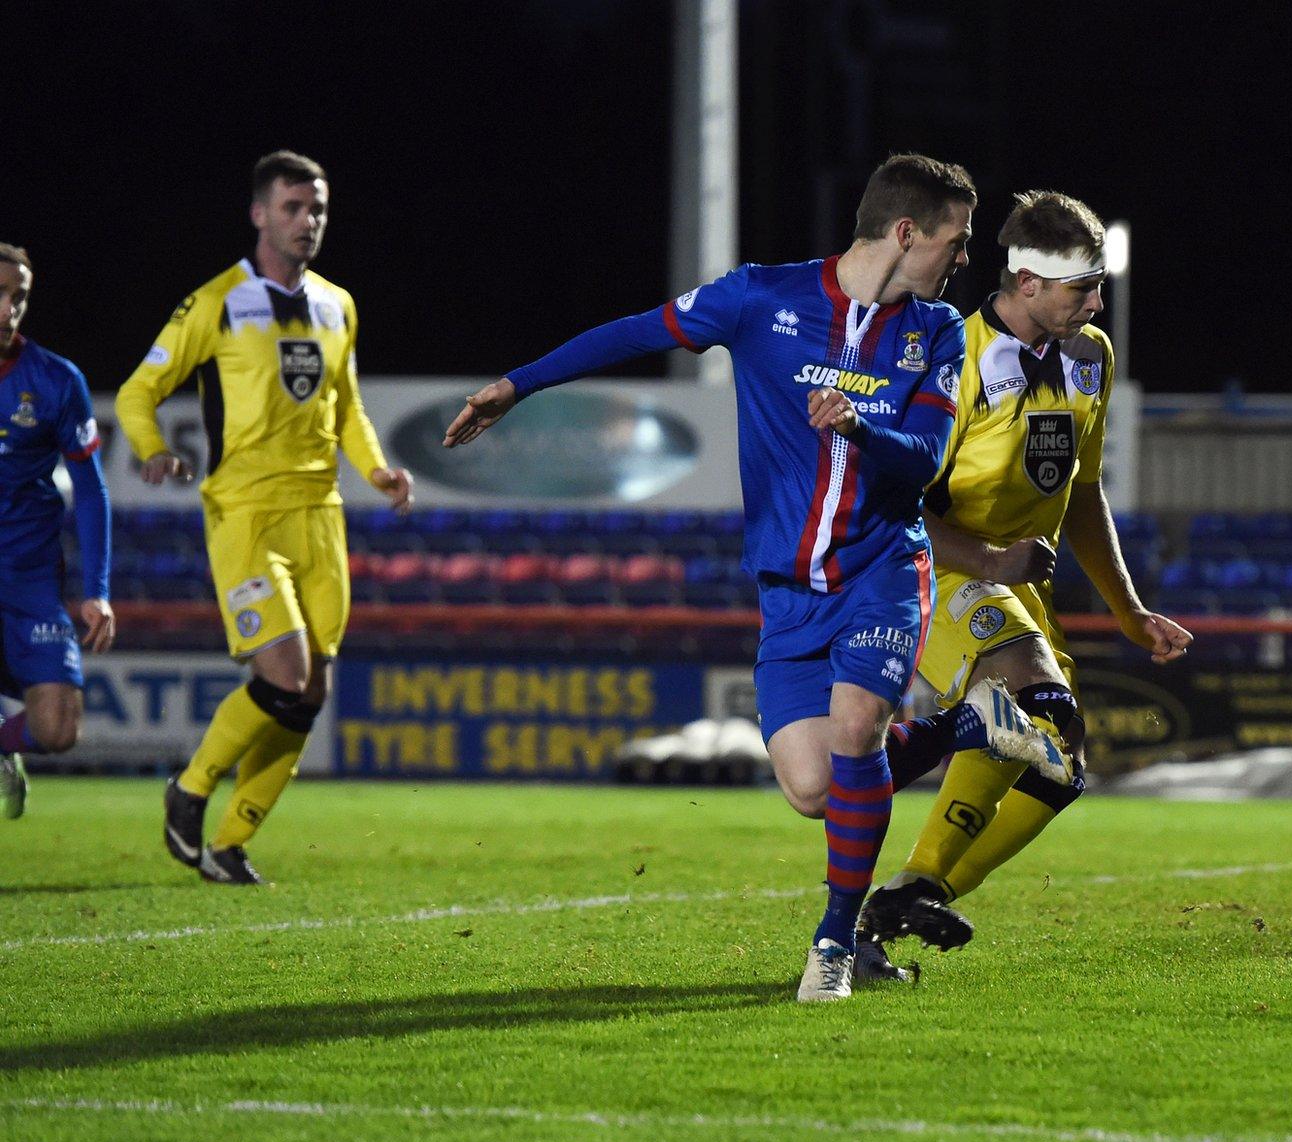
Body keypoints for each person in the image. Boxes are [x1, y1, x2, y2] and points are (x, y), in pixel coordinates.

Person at [442, 153, 1063, 1003]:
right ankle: (971, 724)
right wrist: (518, 385)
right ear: (907, 231)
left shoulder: (939, 331)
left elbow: (921, 459)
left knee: (855, 730)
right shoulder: (761, 297)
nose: (964, 262)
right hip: (787, 589)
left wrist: (859, 428)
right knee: (814, 788)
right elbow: (637, 330)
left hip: (885, 568)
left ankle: (832, 949)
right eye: (955, 242)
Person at [857, 191, 1191, 971]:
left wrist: (1131, 611)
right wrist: (990, 563)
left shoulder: (1091, 357)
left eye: (1099, 286)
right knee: (1032, 704)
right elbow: (889, 501)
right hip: (931, 572)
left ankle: (910, 894)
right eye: (1083, 288)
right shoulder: (952, 357)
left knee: (1062, 762)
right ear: (1029, 282)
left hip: (1018, 583)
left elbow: (1080, 494)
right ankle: (868, 777)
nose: (1096, 303)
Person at [116, 151, 414, 884]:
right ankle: (189, 789)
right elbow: (135, 392)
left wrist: (376, 469)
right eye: (292, 208)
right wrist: (152, 450)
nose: (307, 222)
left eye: (316, 209)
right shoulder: (216, 302)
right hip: (245, 511)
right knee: (285, 671)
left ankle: (231, 841)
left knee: (311, 692)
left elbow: (346, 407)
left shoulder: (338, 304)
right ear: (259, 215)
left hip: (320, 515)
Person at [0, 244, 115, 818]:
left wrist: (97, 589)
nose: (7, 309)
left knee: (58, 728)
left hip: (27, 575)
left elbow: (91, 490)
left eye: (17, 297)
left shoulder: (54, 379)